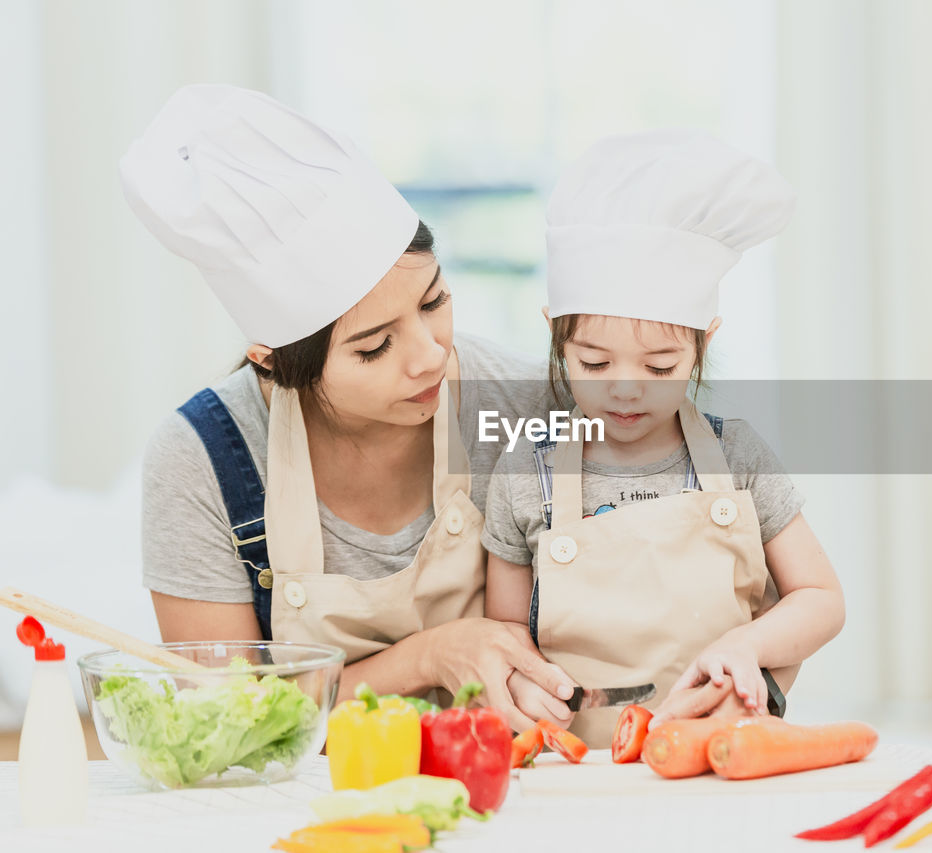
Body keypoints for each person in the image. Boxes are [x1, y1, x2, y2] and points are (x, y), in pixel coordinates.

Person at [121, 84, 574, 728]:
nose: (428, 357)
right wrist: (425, 659)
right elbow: (222, 714)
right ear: (272, 360)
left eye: (434, 301)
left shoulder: (527, 408)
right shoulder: (202, 459)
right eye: (374, 347)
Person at [483, 131, 845, 745]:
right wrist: (523, 688)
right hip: (574, 765)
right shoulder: (525, 470)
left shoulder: (739, 458)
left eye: (659, 368)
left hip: (717, 750)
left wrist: (748, 646)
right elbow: (504, 633)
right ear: (555, 338)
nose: (628, 392)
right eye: (594, 364)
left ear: (704, 343)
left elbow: (821, 599)